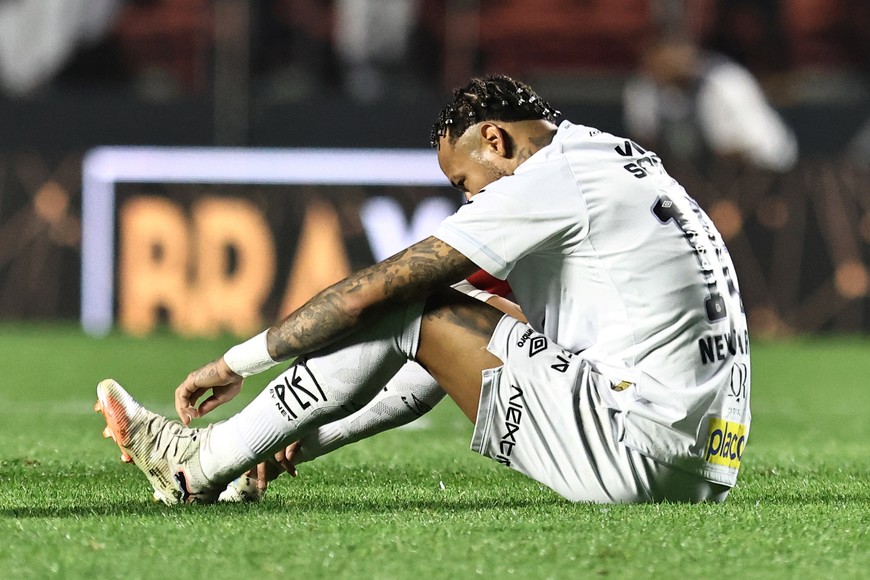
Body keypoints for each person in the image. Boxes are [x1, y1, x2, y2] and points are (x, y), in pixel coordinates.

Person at [96, 75, 751, 505]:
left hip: (636, 451)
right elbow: (444, 347)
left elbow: (368, 298)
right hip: (706, 466)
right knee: (463, 315)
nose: (468, 202)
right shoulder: (615, 160)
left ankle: (199, 465)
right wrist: (287, 433)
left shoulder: (549, 180)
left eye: (465, 184)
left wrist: (234, 361)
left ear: (494, 140)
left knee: (412, 299)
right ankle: (240, 459)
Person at [623, 34, 797, 172]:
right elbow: (644, 145)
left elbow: (740, 149)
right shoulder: (643, 90)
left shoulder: (724, 82)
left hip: (763, 171)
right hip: (699, 179)